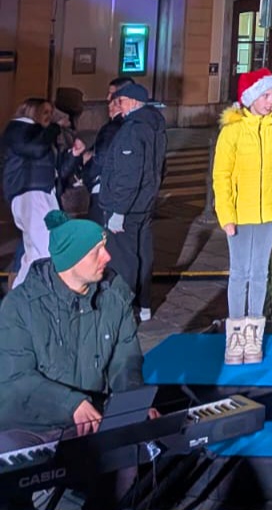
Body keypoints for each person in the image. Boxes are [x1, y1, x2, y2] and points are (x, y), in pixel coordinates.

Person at [0, 211, 148, 507]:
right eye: (96, 252)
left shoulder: (114, 297)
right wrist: (71, 404)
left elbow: (126, 363)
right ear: (71, 261)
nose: (107, 257)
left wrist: (135, 406)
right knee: (7, 472)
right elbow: (16, 379)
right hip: (28, 425)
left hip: (87, 422)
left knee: (128, 457)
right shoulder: (20, 306)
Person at [212, 69, 272, 366]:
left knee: (260, 272)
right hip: (240, 214)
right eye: (265, 95)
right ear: (250, 98)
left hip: (268, 213)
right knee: (240, 272)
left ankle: (253, 334)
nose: (271, 101)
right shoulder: (232, 131)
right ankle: (235, 334)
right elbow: (222, 175)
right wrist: (226, 215)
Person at [99, 81, 166, 322]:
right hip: (145, 203)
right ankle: (144, 305)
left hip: (128, 207)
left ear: (134, 102)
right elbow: (159, 167)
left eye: (122, 101)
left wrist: (118, 210)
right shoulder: (155, 126)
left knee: (123, 259)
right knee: (142, 253)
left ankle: (124, 309)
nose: (119, 106)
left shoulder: (132, 130)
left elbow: (128, 175)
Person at [3, 99, 86, 288]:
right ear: (33, 112)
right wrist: (56, 128)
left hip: (43, 194)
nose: (49, 117)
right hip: (31, 194)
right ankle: (40, 294)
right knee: (46, 249)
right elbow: (36, 150)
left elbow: (58, 174)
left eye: (51, 113)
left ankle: (19, 297)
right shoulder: (18, 128)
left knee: (35, 253)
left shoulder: (38, 135)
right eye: (45, 112)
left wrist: (74, 155)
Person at [82, 77, 132, 224]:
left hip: (107, 190)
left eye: (112, 94)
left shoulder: (113, 128)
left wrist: (87, 169)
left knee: (100, 232)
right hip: (129, 193)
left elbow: (100, 159)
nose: (107, 98)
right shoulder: (142, 124)